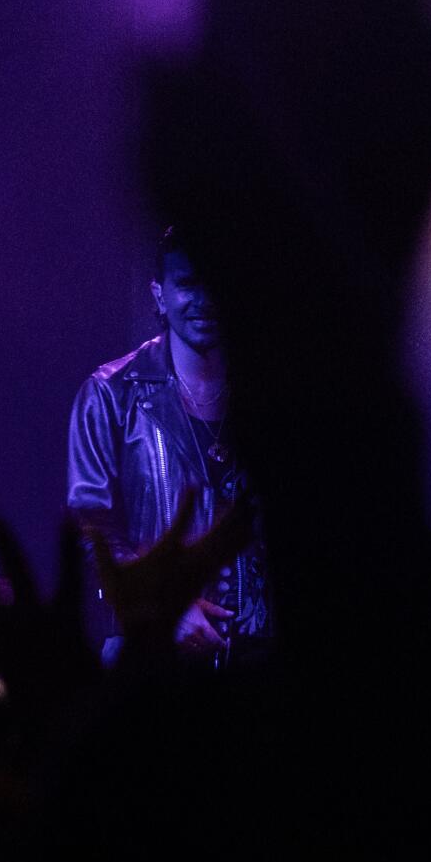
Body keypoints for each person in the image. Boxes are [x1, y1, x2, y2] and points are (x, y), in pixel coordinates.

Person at [65, 226, 268, 662]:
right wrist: (161, 606)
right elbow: (92, 526)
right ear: (159, 295)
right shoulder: (110, 394)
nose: (205, 299)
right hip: (152, 662)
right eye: (188, 284)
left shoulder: (272, 394)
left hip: (261, 663)